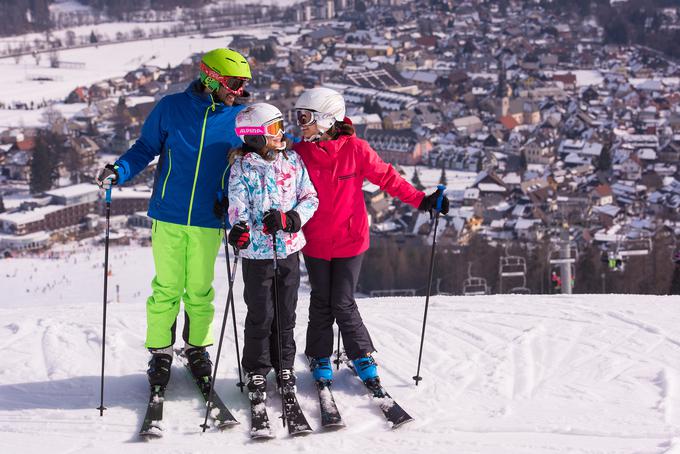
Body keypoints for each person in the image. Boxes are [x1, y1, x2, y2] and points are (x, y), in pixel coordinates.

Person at [95, 48, 252, 388]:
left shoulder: (240, 120)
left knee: (199, 290)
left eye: (243, 85)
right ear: (210, 77)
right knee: (166, 288)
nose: (238, 91)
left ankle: (197, 349)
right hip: (168, 214)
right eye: (234, 83)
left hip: (209, 219)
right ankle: (161, 352)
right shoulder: (170, 108)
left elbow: (261, 157)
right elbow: (144, 148)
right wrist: (119, 170)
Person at [291, 87, 450, 386]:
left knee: (342, 300)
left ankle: (361, 353)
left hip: (350, 241)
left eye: (306, 117)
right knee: (322, 298)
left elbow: (387, 177)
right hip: (315, 241)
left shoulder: (356, 150)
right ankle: (320, 354)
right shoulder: (299, 154)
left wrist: (421, 200)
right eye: (298, 116)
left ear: (328, 119)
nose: (301, 124)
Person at [226, 103, 318, 401]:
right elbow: (236, 203)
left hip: (289, 250)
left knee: (286, 314)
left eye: (281, 127)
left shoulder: (291, 162)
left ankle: (284, 367)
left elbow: (309, 197)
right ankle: (256, 369)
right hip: (256, 256)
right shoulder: (240, 168)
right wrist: (239, 229)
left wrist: (291, 219)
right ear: (254, 136)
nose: (282, 134)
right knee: (260, 314)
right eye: (275, 129)